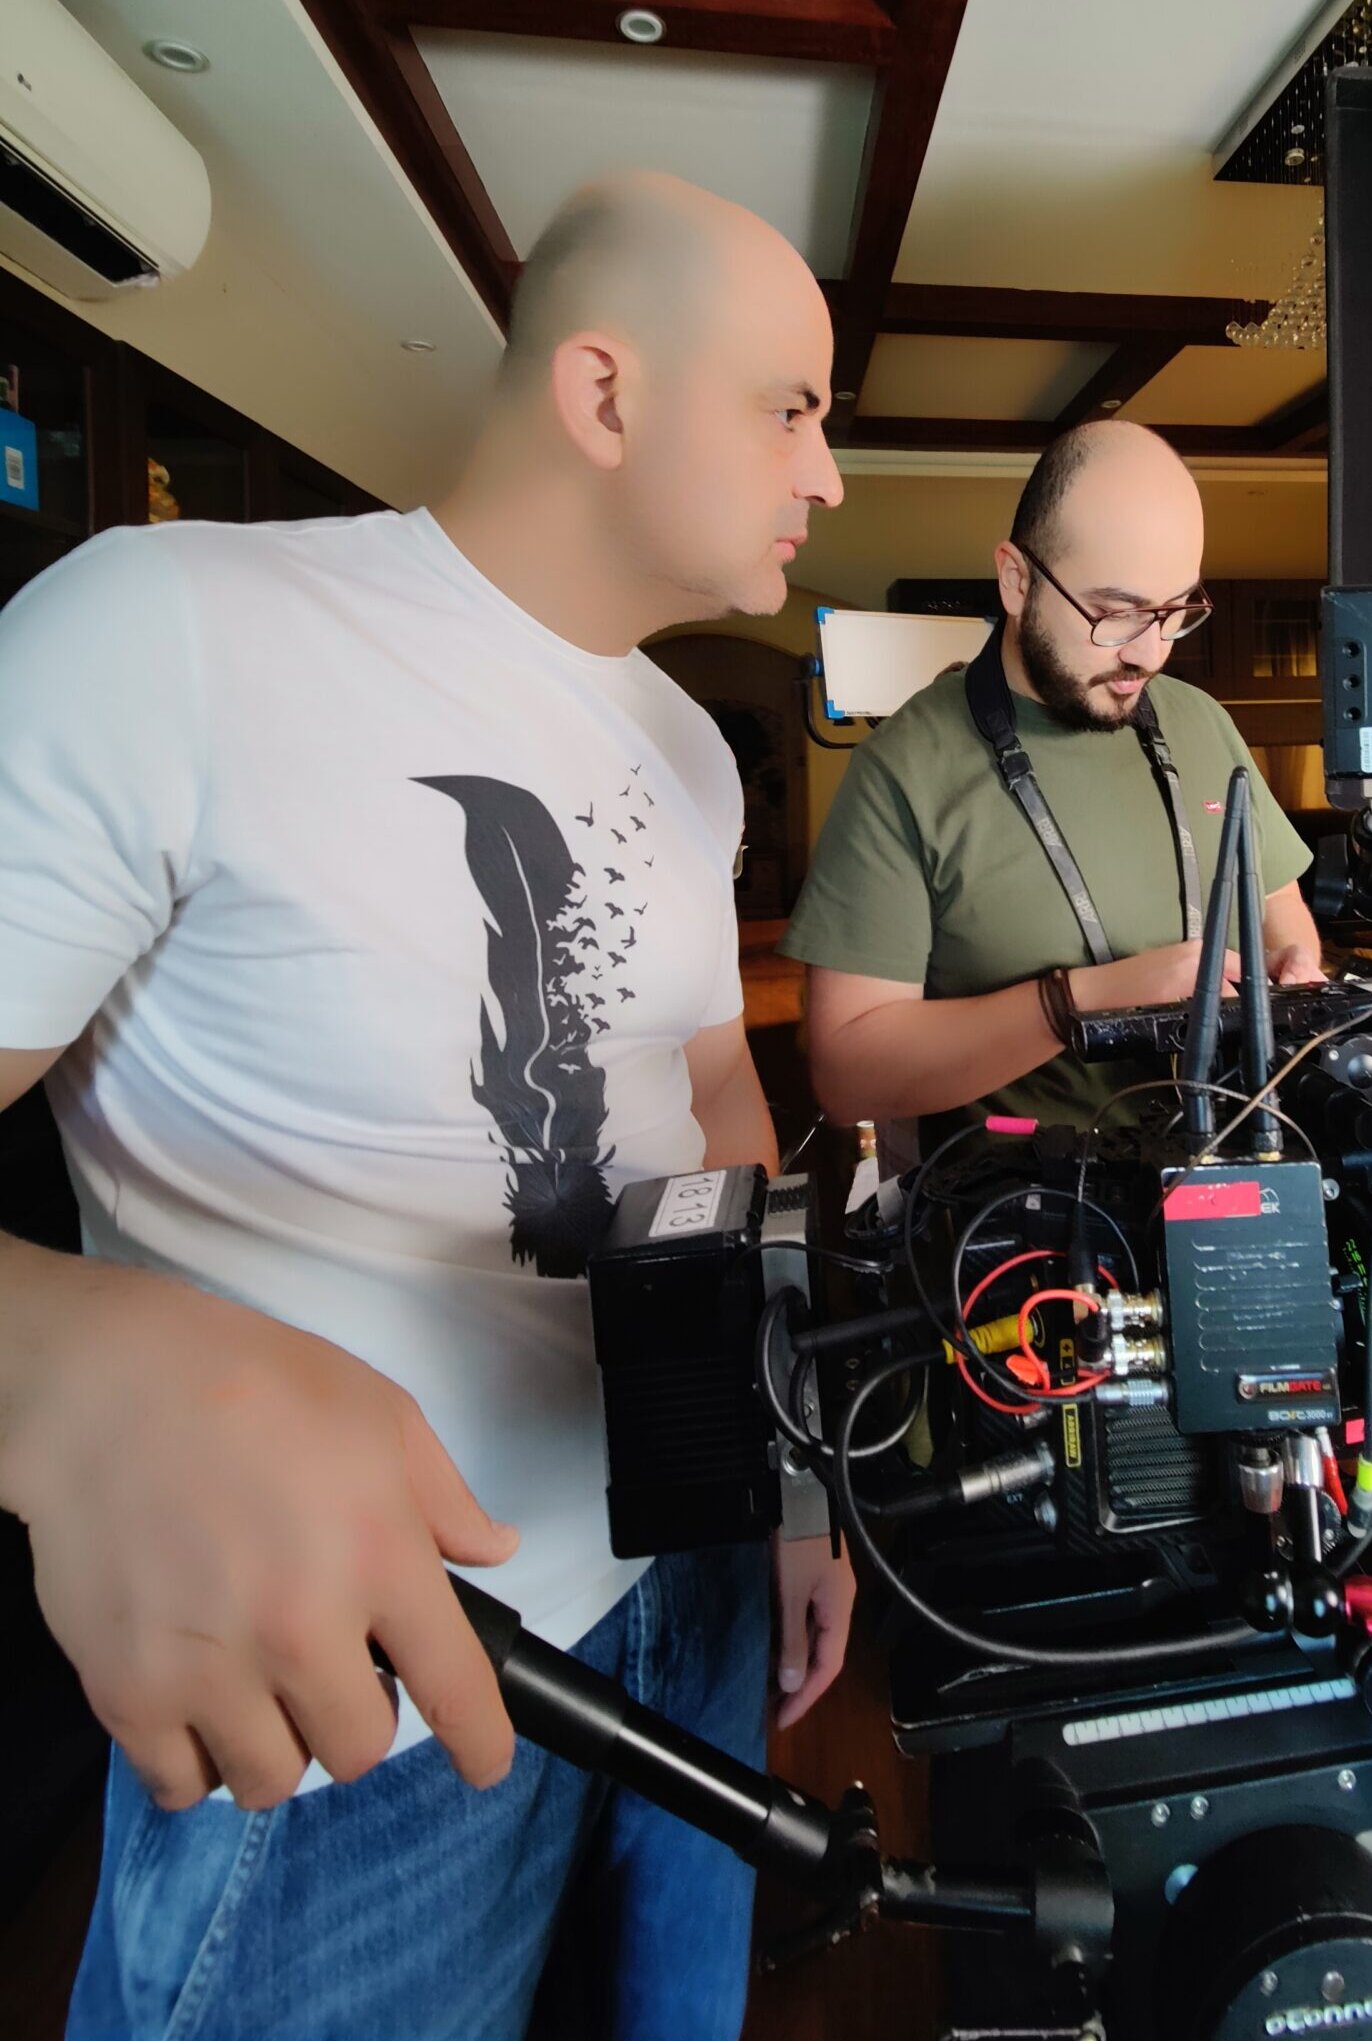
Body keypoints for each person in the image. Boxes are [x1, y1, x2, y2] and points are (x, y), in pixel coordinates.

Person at [0, 172, 852, 2040]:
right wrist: (49, 1354)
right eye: (793, 405)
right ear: (608, 393)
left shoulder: (691, 746)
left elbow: (708, 1085)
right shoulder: (168, 630)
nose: (831, 474)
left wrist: (791, 1471)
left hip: (682, 1568)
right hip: (365, 1691)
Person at [780, 420, 1322, 1140]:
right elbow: (847, 1074)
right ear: (1016, 579)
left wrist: (1296, 970)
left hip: (1232, 1165)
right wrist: (1084, 1001)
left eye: (1175, 611)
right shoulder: (906, 767)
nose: (1150, 653)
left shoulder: (1202, 722)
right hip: (1030, 1210)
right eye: (1116, 612)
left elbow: (1284, 920)